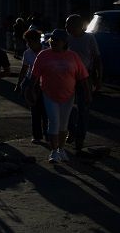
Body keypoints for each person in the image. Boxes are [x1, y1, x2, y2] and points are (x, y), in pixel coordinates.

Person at [31, 28, 91, 163]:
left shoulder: (73, 56)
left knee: (64, 124)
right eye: (52, 40)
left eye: (57, 40)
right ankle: (53, 151)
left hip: (68, 95)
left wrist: (87, 93)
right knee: (54, 121)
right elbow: (34, 76)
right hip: (49, 94)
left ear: (64, 42)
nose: (53, 42)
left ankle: (61, 149)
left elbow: (83, 77)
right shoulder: (43, 55)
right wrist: (31, 91)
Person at [65, 14, 103, 154]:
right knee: (65, 107)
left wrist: (99, 79)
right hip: (68, 76)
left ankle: (79, 139)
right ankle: (72, 131)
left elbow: (98, 59)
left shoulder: (89, 38)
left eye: (69, 24)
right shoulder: (67, 39)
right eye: (66, 24)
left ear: (79, 26)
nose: (66, 27)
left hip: (85, 77)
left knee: (83, 109)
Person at [15, 29, 48, 144]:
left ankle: (48, 134)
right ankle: (37, 135)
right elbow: (24, 70)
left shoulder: (47, 51)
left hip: (44, 83)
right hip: (31, 82)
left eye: (30, 42)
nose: (28, 44)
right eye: (27, 42)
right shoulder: (27, 53)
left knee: (46, 110)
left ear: (37, 40)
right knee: (34, 110)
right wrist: (19, 84)